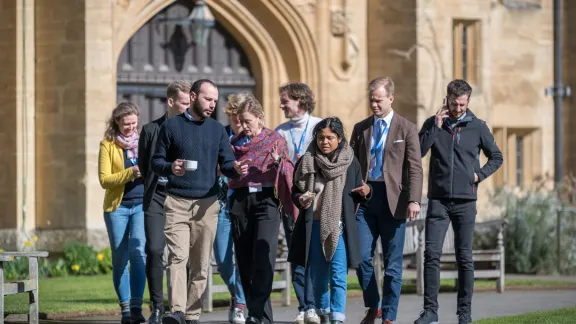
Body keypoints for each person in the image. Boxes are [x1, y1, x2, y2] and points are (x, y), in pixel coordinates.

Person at [151, 79, 241, 324]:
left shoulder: (217, 130)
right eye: (207, 99)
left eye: (214, 100)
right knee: (177, 258)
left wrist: (238, 169)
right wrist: (171, 166)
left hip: (207, 204)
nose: (213, 104)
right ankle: (177, 311)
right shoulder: (171, 127)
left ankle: (192, 315)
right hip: (176, 202)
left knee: (201, 264)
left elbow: (228, 164)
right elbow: (156, 162)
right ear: (192, 97)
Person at [414, 79, 503, 324]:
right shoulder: (433, 124)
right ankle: (430, 311)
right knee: (431, 254)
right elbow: (419, 151)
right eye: (454, 103)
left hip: (465, 201)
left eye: (462, 104)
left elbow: (496, 157)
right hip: (439, 201)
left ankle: (464, 312)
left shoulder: (478, 127)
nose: (458, 108)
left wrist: (479, 175)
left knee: (464, 257)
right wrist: (436, 126)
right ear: (447, 99)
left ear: (468, 101)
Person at [350, 77, 424, 324]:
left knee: (393, 267)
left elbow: (415, 168)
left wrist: (414, 200)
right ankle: (374, 305)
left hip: (396, 201)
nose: (374, 104)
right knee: (360, 259)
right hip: (366, 199)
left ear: (390, 99)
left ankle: (389, 316)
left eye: (378, 100)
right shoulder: (361, 128)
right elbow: (351, 164)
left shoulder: (407, 128)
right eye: (371, 99)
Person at [290, 117, 371, 324]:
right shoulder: (307, 159)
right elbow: (295, 191)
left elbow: (359, 191)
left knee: (338, 275)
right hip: (313, 224)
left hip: (339, 225)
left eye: (330, 138)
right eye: (320, 137)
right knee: (318, 277)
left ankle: (337, 319)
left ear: (339, 138)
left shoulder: (350, 161)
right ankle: (324, 314)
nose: (324, 142)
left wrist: (366, 191)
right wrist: (300, 198)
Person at [227, 93, 296, 324]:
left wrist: (278, 162)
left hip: (267, 200)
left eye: (248, 121)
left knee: (264, 255)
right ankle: (260, 318)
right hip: (240, 200)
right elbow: (224, 170)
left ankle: (255, 311)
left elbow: (288, 168)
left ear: (260, 117)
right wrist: (233, 168)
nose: (244, 126)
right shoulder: (233, 144)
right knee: (245, 261)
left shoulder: (275, 140)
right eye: (241, 121)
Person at [138, 80, 191, 324]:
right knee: (155, 249)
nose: (189, 107)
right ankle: (157, 307)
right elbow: (143, 164)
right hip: (156, 198)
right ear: (171, 102)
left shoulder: (192, 129)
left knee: (181, 253)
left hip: (182, 196)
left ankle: (180, 307)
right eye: (184, 103)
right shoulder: (149, 130)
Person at [275, 82, 323, 324]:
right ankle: (304, 306)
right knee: (296, 255)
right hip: (290, 202)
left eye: (285, 101)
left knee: (313, 254)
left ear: (300, 101)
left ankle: (316, 305)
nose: (281, 105)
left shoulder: (319, 127)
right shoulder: (280, 131)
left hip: (317, 201)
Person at [98, 102, 147, 324]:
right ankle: (125, 309)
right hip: (117, 208)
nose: (130, 127)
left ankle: (137, 308)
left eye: (134, 123)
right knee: (120, 259)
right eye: (126, 124)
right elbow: (104, 180)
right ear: (117, 121)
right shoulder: (107, 145)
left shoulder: (144, 142)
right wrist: (130, 173)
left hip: (140, 206)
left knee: (139, 255)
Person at [214, 93, 251, 324]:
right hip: (221, 203)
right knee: (222, 259)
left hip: (246, 203)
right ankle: (237, 293)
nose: (238, 121)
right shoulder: (221, 135)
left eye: (241, 116)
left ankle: (239, 302)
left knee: (245, 257)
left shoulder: (253, 138)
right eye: (234, 116)